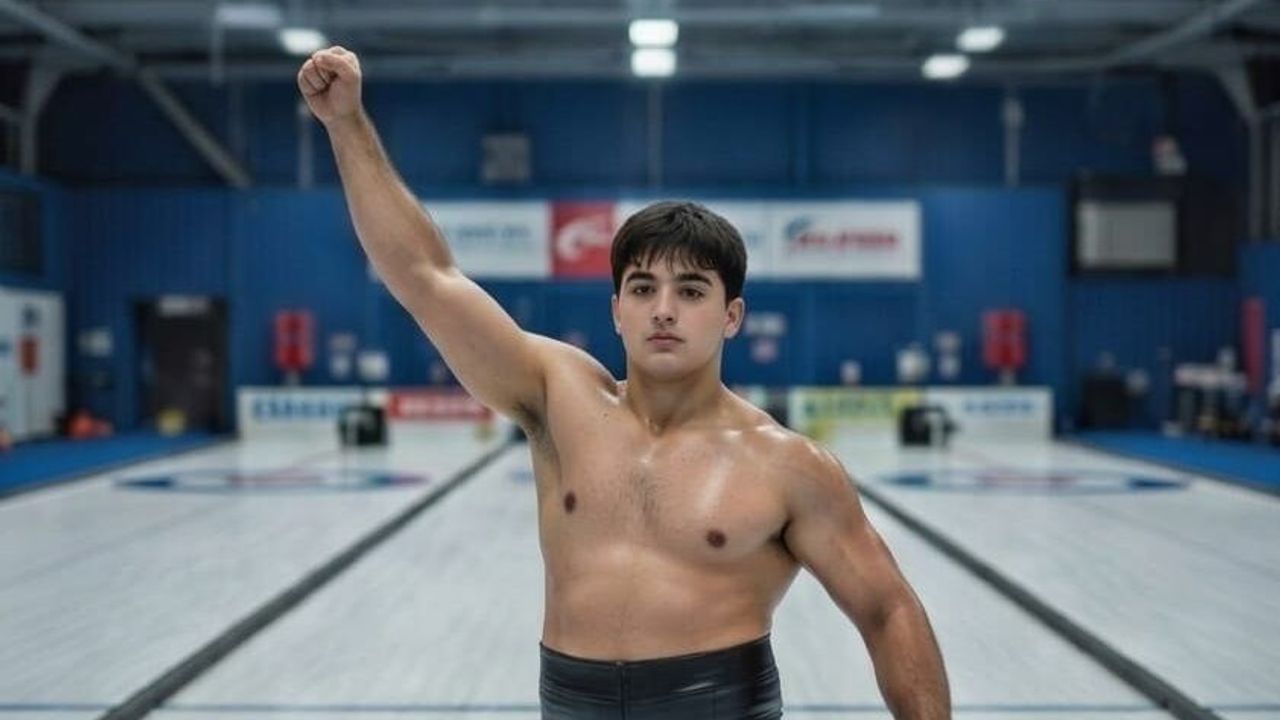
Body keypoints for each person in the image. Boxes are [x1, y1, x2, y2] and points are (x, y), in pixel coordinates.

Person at [298, 46, 950, 720]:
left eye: (690, 291)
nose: (663, 309)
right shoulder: (558, 397)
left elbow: (888, 610)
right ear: (616, 310)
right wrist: (346, 124)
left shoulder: (787, 466)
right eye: (642, 288)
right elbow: (426, 277)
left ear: (732, 316)